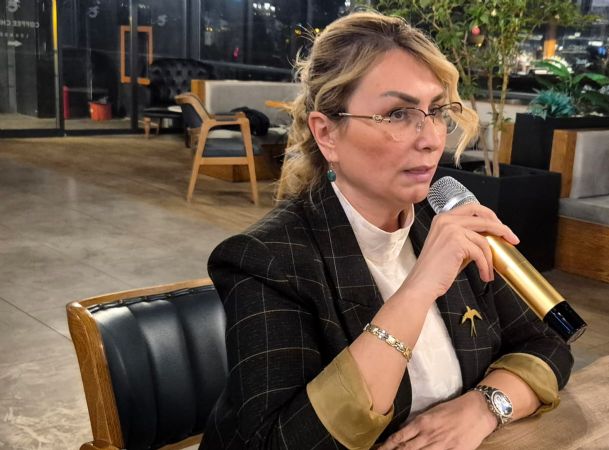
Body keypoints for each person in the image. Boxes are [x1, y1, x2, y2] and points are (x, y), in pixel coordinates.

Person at [199, 11, 573, 450]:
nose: (431, 139)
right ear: (327, 133)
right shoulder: (268, 259)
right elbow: (279, 444)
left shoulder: (445, 222)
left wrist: (485, 406)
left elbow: (550, 342)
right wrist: (417, 290)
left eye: (437, 111)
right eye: (397, 113)